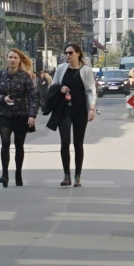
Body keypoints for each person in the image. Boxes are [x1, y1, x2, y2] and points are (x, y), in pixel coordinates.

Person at [0, 47, 39, 186]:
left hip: (21, 115)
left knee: (19, 145)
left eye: (15, 57)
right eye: (10, 57)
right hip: (3, 115)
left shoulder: (24, 76)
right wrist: (3, 98)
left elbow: (33, 97)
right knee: (5, 143)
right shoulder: (0, 75)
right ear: (6, 59)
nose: (12, 60)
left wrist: (32, 115)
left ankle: (18, 173)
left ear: (19, 60)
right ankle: (4, 174)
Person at [45, 44, 93, 186]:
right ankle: (67, 175)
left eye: (71, 52)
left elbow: (91, 90)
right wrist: (60, 88)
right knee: (65, 141)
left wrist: (92, 108)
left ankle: (78, 175)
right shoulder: (61, 68)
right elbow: (53, 86)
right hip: (64, 110)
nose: (68, 55)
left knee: (78, 143)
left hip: (80, 110)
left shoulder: (86, 70)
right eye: (66, 53)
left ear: (78, 53)